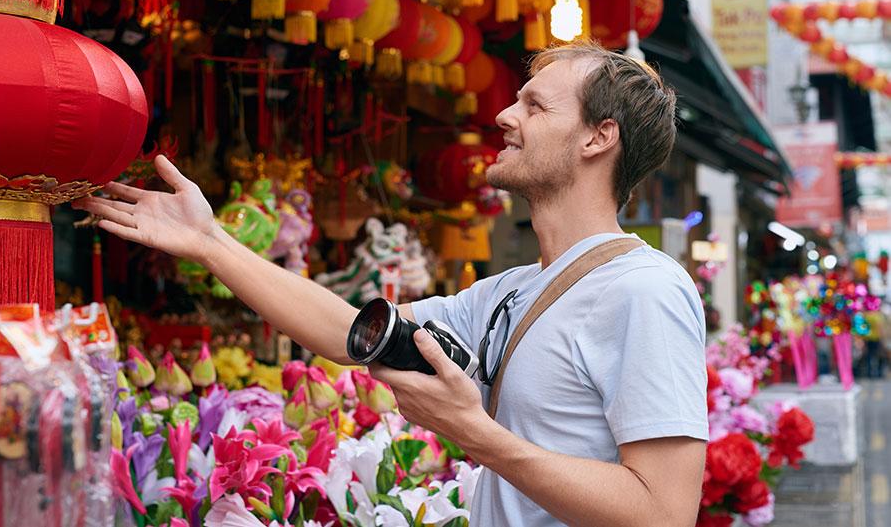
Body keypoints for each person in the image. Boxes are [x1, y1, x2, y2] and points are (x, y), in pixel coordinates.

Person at [75, 41, 708, 527]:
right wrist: (208, 242)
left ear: (600, 137)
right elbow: (349, 332)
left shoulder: (643, 289)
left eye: (535, 106)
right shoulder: (509, 291)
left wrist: (478, 436)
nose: (503, 114)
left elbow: (662, 511)